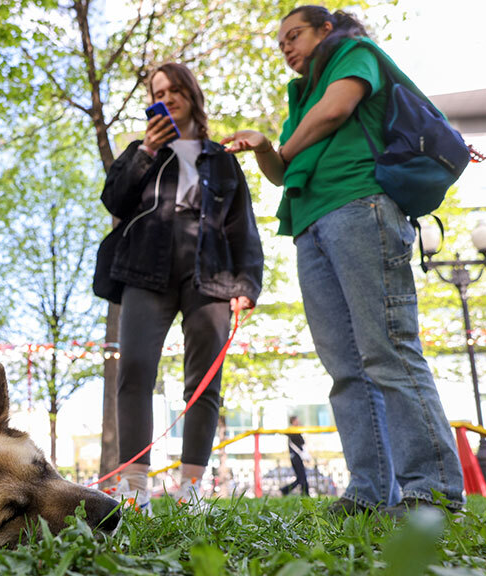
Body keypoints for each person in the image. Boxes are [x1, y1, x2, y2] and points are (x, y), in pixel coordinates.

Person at [223, 6, 464, 516]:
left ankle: (433, 488)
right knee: (346, 369)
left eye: (295, 36)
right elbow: (279, 171)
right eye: (280, 42)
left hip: (361, 207)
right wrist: (267, 146)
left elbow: (337, 110)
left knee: (389, 351)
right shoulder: (298, 98)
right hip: (309, 225)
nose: (286, 47)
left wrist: (283, 146)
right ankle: (371, 491)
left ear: (325, 30)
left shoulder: (355, 55)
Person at [99, 62, 264, 512]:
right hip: (145, 270)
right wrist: (144, 154)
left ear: (191, 94)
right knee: (133, 369)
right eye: (158, 91)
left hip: (210, 276)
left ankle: (192, 488)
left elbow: (241, 226)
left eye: (175, 89)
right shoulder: (143, 151)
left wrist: (247, 282)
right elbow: (114, 198)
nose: (167, 96)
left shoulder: (222, 159)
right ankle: (134, 490)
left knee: (205, 382)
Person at [281, 416, 310, 497]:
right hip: (296, 457)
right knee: (302, 477)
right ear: (293, 421)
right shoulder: (292, 431)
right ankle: (304, 493)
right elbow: (301, 442)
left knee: (300, 477)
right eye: (297, 420)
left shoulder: (296, 431)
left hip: (296, 457)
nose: (298, 422)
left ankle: (285, 490)